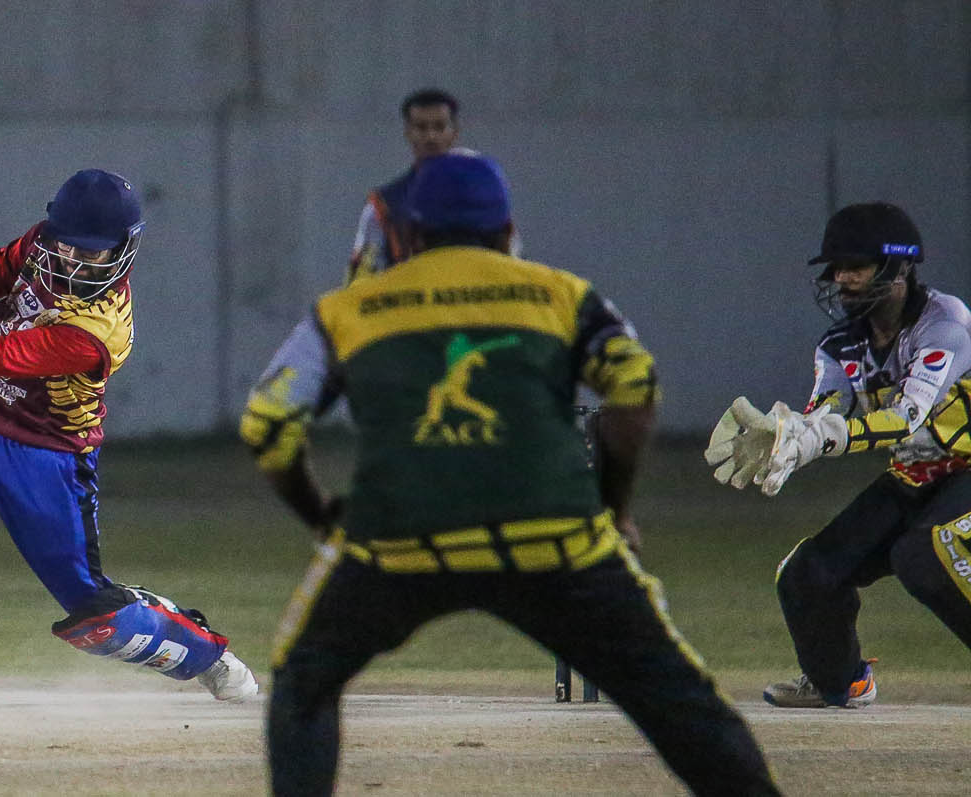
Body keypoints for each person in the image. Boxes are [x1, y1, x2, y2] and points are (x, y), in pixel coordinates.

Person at [245, 154, 779, 795]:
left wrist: (322, 516)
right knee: (673, 693)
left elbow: (267, 425)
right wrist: (612, 507)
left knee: (304, 682)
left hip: (399, 541)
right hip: (555, 538)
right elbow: (635, 387)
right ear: (506, 230)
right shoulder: (561, 295)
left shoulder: (347, 311)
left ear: (410, 235)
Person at [0, 168, 259, 712]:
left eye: (90, 253)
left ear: (123, 249)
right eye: (67, 246)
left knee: (96, 614)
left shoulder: (98, 330)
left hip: (43, 455)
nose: (73, 261)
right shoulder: (46, 243)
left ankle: (204, 655)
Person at [705, 202, 971, 709]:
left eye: (856, 266)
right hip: (914, 475)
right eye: (837, 268)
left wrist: (821, 437)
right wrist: (787, 435)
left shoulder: (945, 323)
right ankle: (841, 681)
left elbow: (907, 417)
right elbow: (825, 411)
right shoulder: (838, 345)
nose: (842, 279)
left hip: (967, 470)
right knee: (807, 573)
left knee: (923, 555)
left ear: (899, 267)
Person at [346, 88, 476, 284]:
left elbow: (510, 262)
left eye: (440, 127)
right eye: (421, 128)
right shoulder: (383, 205)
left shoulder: (483, 198)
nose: (431, 137)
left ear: (455, 132)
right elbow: (360, 282)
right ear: (408, 132)